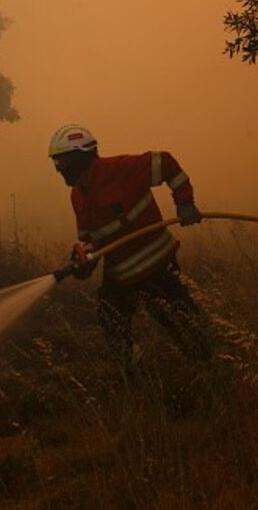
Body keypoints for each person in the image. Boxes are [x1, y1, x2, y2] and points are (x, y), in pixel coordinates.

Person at [49, 123, 210, 364]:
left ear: (80, 156)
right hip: (120, 276)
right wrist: (83, 261)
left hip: (156, 267)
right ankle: (135, 371)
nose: (58, 168)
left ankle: (212, 367)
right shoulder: (78, 196)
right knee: (111, 321)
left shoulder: (121, 170)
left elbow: (166, 163)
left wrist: (185, 202)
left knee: (182, 325)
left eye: (61, 161)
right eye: (56, 162)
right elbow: (94, 240)